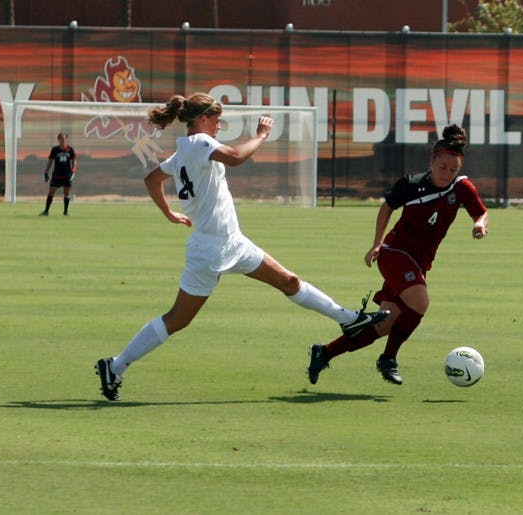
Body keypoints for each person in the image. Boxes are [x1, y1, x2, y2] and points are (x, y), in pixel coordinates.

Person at [95, 91, 389, 401]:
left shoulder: (183, 151)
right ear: (202, 120)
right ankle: (115, 366)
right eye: (217, 120)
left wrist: (169, 213)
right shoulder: (198, 143)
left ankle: (350, 319)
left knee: (288, 281)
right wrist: (262, 135)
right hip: (213, 249)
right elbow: (235, 157)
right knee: (177, 319)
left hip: (227, 243)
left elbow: (152, 180)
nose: (219, 126)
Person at [307, 124, 489, 386]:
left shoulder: (462, 188)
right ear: (432, 160)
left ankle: (324, 352)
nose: (447, 173)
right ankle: (388, 359)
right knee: (421, 301)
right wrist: (377, 243)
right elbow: (386, 208)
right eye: (443, 167)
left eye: (453, 170)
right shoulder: (411, 184)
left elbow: (481, 212)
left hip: (419, 262)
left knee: (384, 325)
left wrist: (480, 224)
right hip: (395, 252)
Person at [40, 132, 77, 216]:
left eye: (64, 139)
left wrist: (73, 171)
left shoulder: (70, 150)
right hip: (57, 175)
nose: (62, 140)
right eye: (61, 139)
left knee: (66, 193)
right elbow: (50, 161)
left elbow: (74, 162)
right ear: (58, 139)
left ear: (66, 139)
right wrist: (46, 172)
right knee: (51, 192)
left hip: (66, 175)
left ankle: (66, 211)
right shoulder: (55, 149)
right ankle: (46, 211)